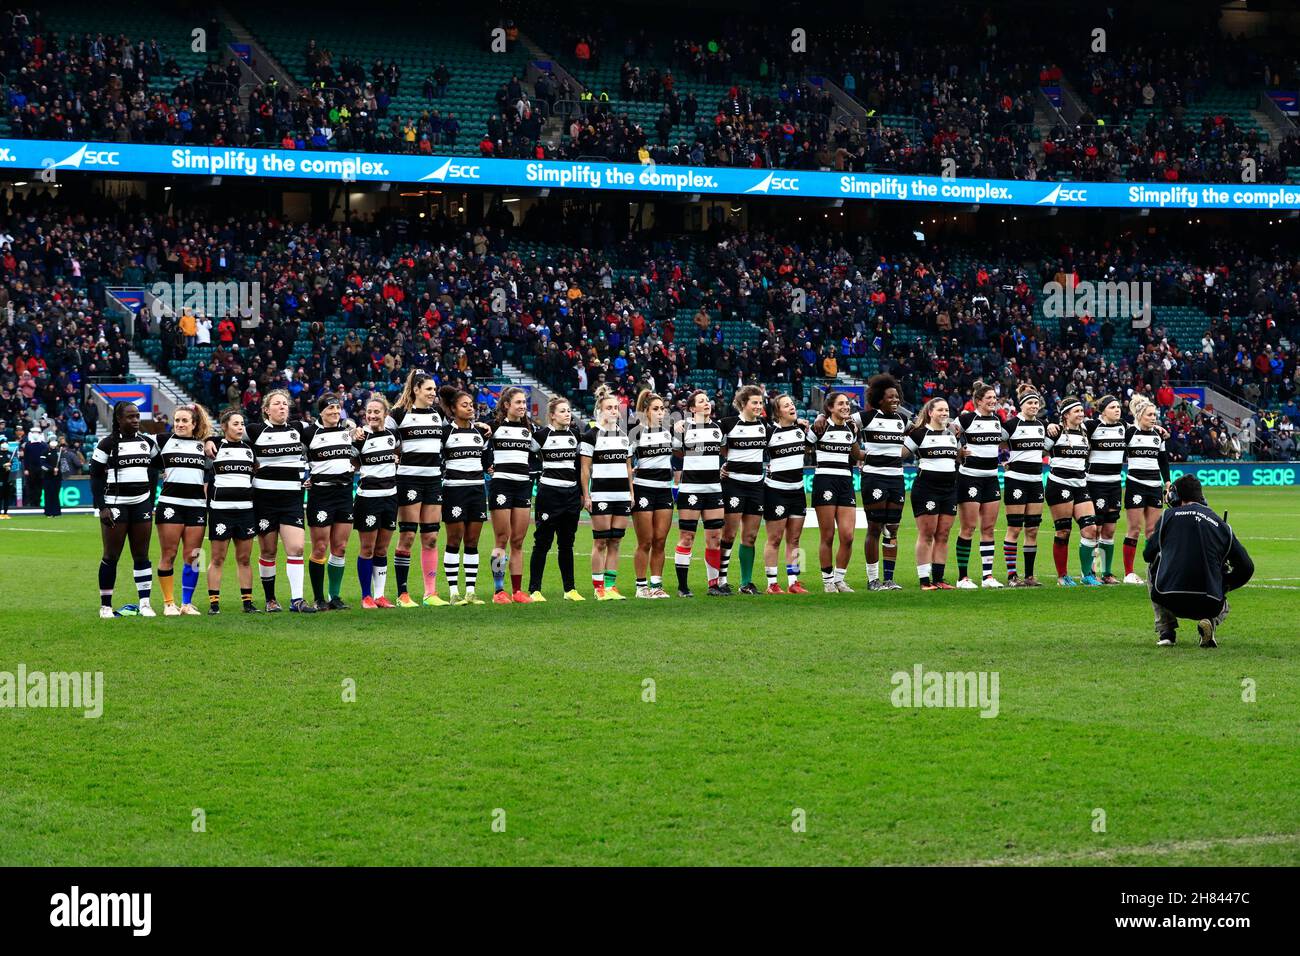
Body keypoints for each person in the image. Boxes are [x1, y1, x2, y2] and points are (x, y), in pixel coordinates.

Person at [1145, 474, 1254, 647]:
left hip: (1169, 597)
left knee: (1153, 564)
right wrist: (1223, 583)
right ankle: (1210, 622)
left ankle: (1166, 631)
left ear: (1176, 496)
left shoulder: (1167, 517)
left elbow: (1148, 554)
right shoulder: (1221, 525)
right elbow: (1247, 568)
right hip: (1208, 601)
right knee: (1219, 576)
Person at [245, 389, 315, 613]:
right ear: (267, 409)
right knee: (268, 551)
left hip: (292, 499)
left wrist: (354, 429)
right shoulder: (255, 431)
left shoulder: (298, 428)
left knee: (296, 548)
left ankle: (297, 600)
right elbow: (228, 434)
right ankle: (271, 599)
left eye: (285, 404)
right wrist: (209, 441)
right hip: (264, 500)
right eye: (277, 404)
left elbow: (324, 434)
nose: (282, 407)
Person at [90, 402, 161, 617]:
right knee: (111, 556)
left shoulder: (147, 443)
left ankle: (145, 603)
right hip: (115, 505)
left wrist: (150, 499)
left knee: (142, 556)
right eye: (130, 417)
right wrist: (102, 507)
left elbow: (156, 468)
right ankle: (105, 606)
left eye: (137, 416)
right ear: (119, 419)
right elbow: (95, 476)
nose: (135, 420)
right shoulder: (107, 444)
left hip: (142, 504)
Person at [388, 370, 450, 608]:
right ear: (416, 390)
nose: (433, 394)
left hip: (433, 480)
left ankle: (430, 593)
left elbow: (450, 439)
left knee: (432, 537)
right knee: (408, 535)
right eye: (429, 390)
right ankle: (403, 594)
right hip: (409, 480)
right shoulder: (399, 413)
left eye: (434, 390)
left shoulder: (437, 415)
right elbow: (385, 437)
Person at [155, 404, 214, 615]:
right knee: (169, 554)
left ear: (194, 424)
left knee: (196, 556)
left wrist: (209, 440)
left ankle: (187, 604)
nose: (179, 424)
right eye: (177, 420)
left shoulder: (204, 446)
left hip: (197, 506)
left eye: (184, 421)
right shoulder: (162, 441)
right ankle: (169, 603)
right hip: (171, 504)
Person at [303, 394, 358, 610]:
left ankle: (334, 596)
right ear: (321, 412)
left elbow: (356, 455)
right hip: (321, 495)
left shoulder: (348, 431)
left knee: (341, 547)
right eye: (330, 409)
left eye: (337, 408)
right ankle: (318, 598)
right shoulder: (309, 433)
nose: (335, 412)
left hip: (344, 493)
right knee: (320, 546)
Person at [528, 396, 584, 601]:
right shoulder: (541, 436)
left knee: (567, 543)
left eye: (568, 410)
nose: (567, 414)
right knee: (542, 542)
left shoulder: (576, 435)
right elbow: (527, 455)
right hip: (549, 494)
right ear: (552, 415)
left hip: (570, 494)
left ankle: (570, 589)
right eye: (562, 411)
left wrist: (579, 492)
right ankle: (535, 590)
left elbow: (579, 465)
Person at [853, 374, 906, 591]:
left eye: (897, 397)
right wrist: (859, 454)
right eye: (890, 397)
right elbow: (843, 424)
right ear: (879, 399)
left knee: (892, 529)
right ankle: (872, 579)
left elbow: (922, 430)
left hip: (897, 478)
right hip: (874, 477)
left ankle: (889, 579)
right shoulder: (866, 418)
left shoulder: (903, 420)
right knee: (874, 527)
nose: (895, 400)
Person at [205, 408, 261, 615]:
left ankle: (247, 603)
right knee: (217, 558)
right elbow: (200, 439)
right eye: (235, 424)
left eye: (242, 424)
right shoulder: (215, 446)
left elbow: (257, 471)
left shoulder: (250, 449)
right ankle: (214, 604)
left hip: (246, 512)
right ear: (225, 427)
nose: (240, 427)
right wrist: (207, 439)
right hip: (221, 512)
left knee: (244, 559)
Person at [581, 385, 634, 600]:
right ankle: (598, 588)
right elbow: (585, 469)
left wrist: (631, 493)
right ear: (600, 411)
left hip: (622, 495)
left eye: (616, 408)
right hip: (601, 495)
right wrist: (587, 495)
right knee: (600, 542)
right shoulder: (590, 436)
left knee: (616, 542)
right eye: (609, 408)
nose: (614, 411)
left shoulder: (624, 436)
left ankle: (611, 587)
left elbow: (628, 468)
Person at [954, 381, 1008, 588]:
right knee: (968, 528)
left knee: (988, 528)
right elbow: (949, 436)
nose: (993, 401)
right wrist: (958, 453)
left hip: (992, 478)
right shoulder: (966, 419)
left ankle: (987, 577)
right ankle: (962, 577)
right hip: (970, 478)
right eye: (989, 398)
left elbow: (1004, 441)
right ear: (978, 401)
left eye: (995, 398)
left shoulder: (997, 421)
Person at [718, 385, 771, 595]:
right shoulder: (727, 424)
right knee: (729, 534)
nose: (759, 406)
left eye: (760, 402)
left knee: (750, 537)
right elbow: (716, 449)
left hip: (756, 485)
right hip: (733, 485)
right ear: (743, 404)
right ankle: (721, 580)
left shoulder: (764, 426)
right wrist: (721, 467)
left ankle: (745, 583)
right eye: (754, 403)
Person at [672, 390, 725, 596]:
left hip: (714, 490)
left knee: (715, 538)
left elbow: (724, 451)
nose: (707, 403)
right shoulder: (684, 428)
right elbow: (677, 453)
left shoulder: (718, 428)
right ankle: (683, 587)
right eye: (701, 401)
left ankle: (713, 585)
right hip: (690, 490)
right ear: (692, 408)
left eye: (707, 400)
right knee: (687, 537)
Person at [439, 385, 488, 605]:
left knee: (472, 541)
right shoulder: (446, 432)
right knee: (454, 539)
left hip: (477, 490)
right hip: (454, 490)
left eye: (471, 405)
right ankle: (453, 592)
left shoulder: (480, 432)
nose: (470, 409)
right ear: (453, 409)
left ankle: (470, 591)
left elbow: (486, 460)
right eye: (464, 405)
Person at [904, 397, 959, 590]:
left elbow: (958, 456)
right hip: (926, 489)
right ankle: (924, 580)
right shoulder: (919, 434)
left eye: (946, 410)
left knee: (943, 534)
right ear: (930, 412)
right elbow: (901, 454)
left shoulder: (953, 434)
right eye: (940, 410)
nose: (944, 413)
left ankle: (939, 578)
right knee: (927, 533)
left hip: (950, 489)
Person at [486, 386, 535, 603]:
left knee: (518, 541)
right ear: (507, 405)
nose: (523, 406)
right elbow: (479, 446)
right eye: (518, 402)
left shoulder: (528, 428)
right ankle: (499, 591)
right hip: (502, 487)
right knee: (502, 539)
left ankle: (517, 591)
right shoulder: (494, 426)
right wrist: (487, 465)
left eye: (524, 403)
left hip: (523, 486)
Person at [1045, 397, 1100, 587]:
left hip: (1080, 484)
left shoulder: (1086, 431)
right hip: (1059, 484)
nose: (1081, 413)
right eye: (1076, 411)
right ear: (1065, 415)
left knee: (1091, 529)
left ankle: (1087, 574)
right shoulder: (1056, 431)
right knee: (1063, 531)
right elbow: (1038, 451)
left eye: (1081, 410)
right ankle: (1062, 576)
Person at [811, 391, 862, 592]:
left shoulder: (851, 428)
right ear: (830, 408)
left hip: (846, 482)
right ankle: (827, 581)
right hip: (825, 481)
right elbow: (803, 447)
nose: (845, 407)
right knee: (828, 535)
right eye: (840, 403)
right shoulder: (821, 426)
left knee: (848, 536)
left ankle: (840, 579)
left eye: (847, 403)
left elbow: (857, 453)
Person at [353, 395, 400, 609]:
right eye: (369, 412)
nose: (372, 415)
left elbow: (398, 452)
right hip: (368, 499)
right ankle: (366, 596)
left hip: (390, 497)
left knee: (382, 549)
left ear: (385, 414)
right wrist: (352, 434)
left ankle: (380, 595)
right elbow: (352, 462)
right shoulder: (360, 437)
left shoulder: (393, 435)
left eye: (376, 412)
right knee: (367, 548)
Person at [762, 393, 811, 594]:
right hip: (775, 491)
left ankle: (793, 581)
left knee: (795, 539)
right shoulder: (770, 432)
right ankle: (772, 583)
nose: (792, 407)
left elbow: (809, 448)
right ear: (777, 412)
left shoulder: (801, 430)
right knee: (774, 538)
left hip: (798, 490)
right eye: (786, 405)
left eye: (792, 404)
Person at [1121, 396, 1171, 585]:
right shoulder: (1130, 432)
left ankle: (1153, 570)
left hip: (1154, 487)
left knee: (1152, 531)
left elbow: (1163, 461)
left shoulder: (1158, 435)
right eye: (1150, 415)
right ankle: (1129, 573)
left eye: (1155, 415)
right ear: (1140, 415)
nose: (1153, 418)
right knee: (1134, 529)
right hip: (1135, 485)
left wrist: (1167, 483)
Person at [1001, 385, 1048, 587]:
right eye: (1030, 402)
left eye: (1036, 403)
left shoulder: (1042, 425)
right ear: (1021, 405)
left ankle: (1029, 576)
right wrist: (1004, 460)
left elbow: (1045, 450)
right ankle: (1012, 576)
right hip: (1016, 481)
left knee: (1032, 530)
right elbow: (997, 444)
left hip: (1036, 481)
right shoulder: (1011, 425)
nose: (1034, 406)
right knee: (1014, 528)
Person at [630, 389, 674, 598]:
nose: (660, 412)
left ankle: (656, 585)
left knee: (660, 540)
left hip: (664, 489)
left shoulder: (669, 431)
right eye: (656, 409)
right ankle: (641, 587)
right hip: (643, 488)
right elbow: (626, 460)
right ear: (646, 411)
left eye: (662, 409)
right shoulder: (635, 431)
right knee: (645, 541)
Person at [1082, 394, 1126, 585]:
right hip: (1095, 484)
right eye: (1112, 407)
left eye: (1118, 407)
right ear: (1103, 411)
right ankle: (1090, 572)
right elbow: (1071, 428)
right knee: (1096, 528)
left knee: (1109, 530)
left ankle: (1106, 572)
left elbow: (1141, 429)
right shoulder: (1092, 426)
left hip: (1115, 484)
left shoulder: (1124, 427)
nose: (1117, 410)